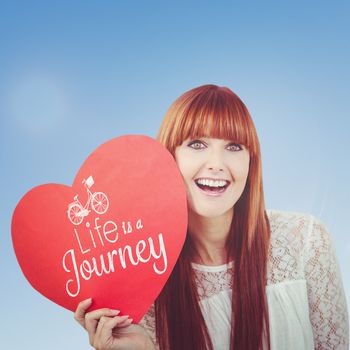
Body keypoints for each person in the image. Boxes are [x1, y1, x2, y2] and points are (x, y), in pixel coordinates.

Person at [74, 84, 349, 350]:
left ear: (251, 162)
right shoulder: (147, 281)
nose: (216, 163)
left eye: (234, 147)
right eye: (196, 144)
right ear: (169, 156)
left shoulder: (305, 241)